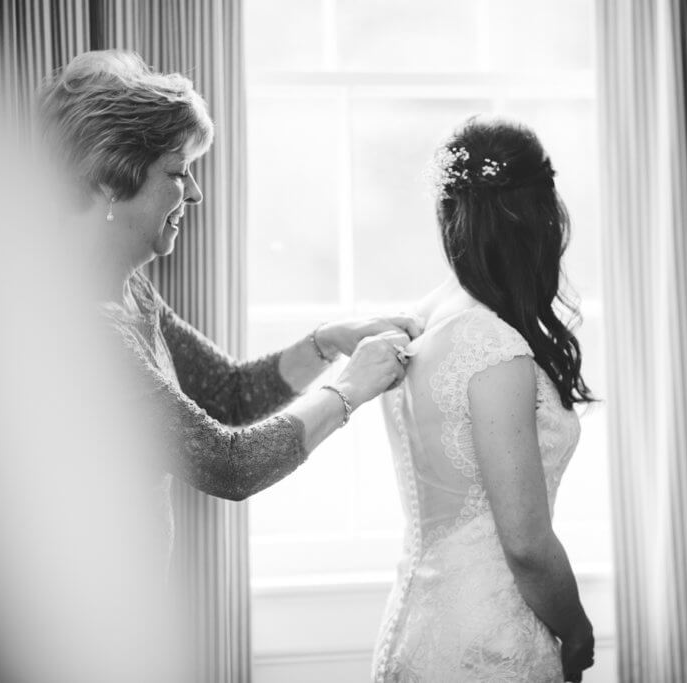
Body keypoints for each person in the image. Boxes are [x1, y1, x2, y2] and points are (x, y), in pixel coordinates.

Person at [37, 49, 420, 560]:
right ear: (110, 179)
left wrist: (330, 341)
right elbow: (229, 465)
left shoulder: (132, 293)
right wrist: (350, 389)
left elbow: (229, 392)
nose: (194, 192)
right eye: (177, 172)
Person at [371, 117, 595, 682]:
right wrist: (576, 627)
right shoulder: (493, 345)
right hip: (488, 644)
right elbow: (525, 544)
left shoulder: (424, 317)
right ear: (538, 219)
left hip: (416, 626)